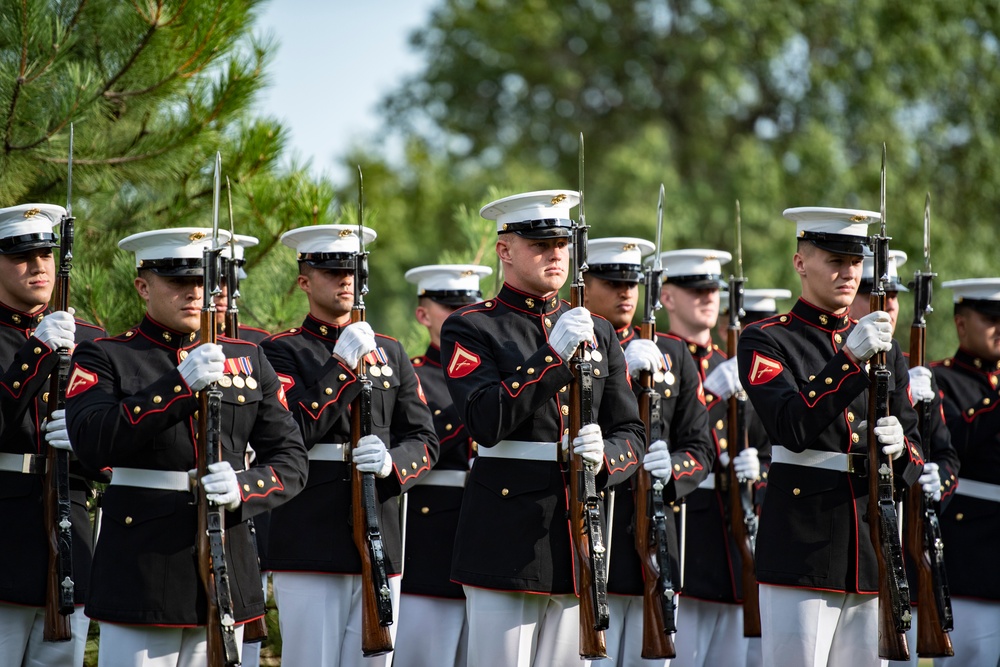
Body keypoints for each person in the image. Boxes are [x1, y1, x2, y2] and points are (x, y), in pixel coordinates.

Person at [64, 227, 308, 667]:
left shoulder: (248, 358)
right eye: (178, 282)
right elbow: (92, 441)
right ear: (143, 286)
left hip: (225, 560)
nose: (194, 293)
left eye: (202, 282)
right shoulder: (105, 356)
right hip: (141, 565)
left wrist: (244, 487)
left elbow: (291, 458)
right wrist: (179, 386)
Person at [439, 191, 646, 667]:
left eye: (562, 242)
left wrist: (606, 457)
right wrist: (552, 357)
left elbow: (631, 432)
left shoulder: (600, 330)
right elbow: (484, 422)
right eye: (540, 243)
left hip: (578, 535)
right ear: (504, 250)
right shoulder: (472, 328)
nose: (555, 253)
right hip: (504, 537)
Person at [737, 206, 924, 667]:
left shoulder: (886, 347)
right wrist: (849, 361)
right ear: (801, 263)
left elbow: (917, 456)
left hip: (870, 545)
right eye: (834, 260)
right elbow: (790, 427)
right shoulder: (765, 339)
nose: (848, 273)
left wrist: (902, 451)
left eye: (855, 261)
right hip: (801, 546)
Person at [260, 224, 438, 667]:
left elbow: (425, 440)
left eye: (354, 270)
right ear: (304, 280)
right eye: (333, 271)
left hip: (381, 529)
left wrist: (391, 465)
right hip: (309, 536)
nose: (345, 279)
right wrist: (340, 367)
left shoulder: (391, 352)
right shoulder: (281, 351)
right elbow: (291, 433)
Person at [581, 237, 714, 667]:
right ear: (584, 284)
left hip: (654, 540)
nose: (625, 292)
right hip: (593, 533)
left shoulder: (673, 353)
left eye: (632, 283)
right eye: (611, 280)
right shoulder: (574, 345)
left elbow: (700, 447)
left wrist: (672, 468)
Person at [0, 203, 105, 667]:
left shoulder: (91, 338)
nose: (38, 265)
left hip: (69, 526)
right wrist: (36, 353)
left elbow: (114, 446)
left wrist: (88, 442)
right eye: (22, 255)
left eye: (46, 253)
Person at [652, 248, 768, 667]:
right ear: (667, 297)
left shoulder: (731, 363)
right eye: (694, 289)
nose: (707, 297)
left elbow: (768, 441)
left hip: (733, 538)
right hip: (685, 529)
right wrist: (713, 397)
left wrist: (762, 470)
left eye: (712, 289)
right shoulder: (656, 360)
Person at [392, 263, 492, 667]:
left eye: (468, 306)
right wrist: (475, 405)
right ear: (423, 314)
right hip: (432, 541)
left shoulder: (493, 375)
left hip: (490, 535)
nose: (460, 316)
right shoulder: (414, 375)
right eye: (449, 306)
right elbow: (415, 441)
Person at [930, 278, 1000, 666]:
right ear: (961, 323)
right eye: (991, 319)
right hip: (973, 554)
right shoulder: (940, 379)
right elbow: (952, 440)